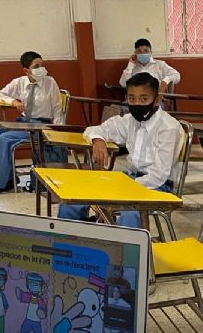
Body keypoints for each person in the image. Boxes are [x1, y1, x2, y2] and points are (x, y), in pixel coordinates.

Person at [57, 73, 183, 228]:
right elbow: (96, 129)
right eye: (131, 99)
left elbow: (157, 177)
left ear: (157, 100)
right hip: (129, 179)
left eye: (144, 99)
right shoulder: (130, 120)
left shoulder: (168, 127)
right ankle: (71, 245)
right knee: (74, 196)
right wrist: (98, 140)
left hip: (159, 186)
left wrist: (118, 196)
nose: (137, 104)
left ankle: (124, 251)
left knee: (130, 212)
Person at [0, 51, 64, 196]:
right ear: (26, 70)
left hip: (40, 125)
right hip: (23, 123)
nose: (42, 69)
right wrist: (13, 101)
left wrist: (57, 132)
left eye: (42, 65)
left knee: (4, 139)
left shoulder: (50, 82)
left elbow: (58, 109)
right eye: (36, 66)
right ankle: (7, 179)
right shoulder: (19, 82)